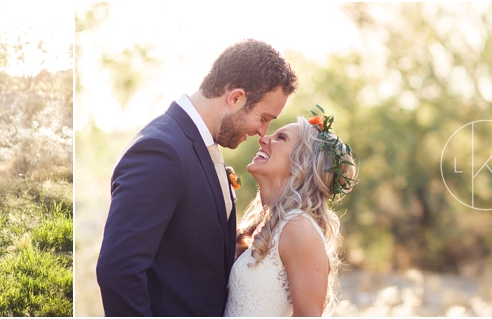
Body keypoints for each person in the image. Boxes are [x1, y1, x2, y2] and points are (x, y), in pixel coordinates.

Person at [95, 39, 299, 316]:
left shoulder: (199, 146)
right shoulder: (161, 151)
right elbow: (119, 271)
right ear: (236, 98)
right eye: (264, 118)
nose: (264, 133)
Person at [224, 112, 357, 316]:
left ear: (301, 163)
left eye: (281, 138)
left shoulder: (299, 227)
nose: (263, 138)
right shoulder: (266, 223)